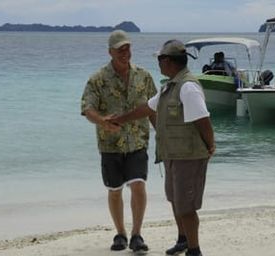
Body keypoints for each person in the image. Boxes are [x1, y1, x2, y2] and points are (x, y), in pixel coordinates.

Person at [110, 39, 215, 256]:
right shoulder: (170, 86)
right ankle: (183, 239)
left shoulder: (188, 87)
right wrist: (120, 119)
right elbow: (147, 108)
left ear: (167, 61)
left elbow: (204, 121)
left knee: (186, 206)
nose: (158, 64)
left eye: (160, 60)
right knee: (175, 200)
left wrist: (210, 146)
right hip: (172, 155)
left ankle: (194, 251)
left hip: (188, 156)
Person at [80, 30, 157, 253]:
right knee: (114, 190)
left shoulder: (143, 75)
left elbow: (152, 107)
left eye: (128, 48)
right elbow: (87, 108)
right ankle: (120, 233)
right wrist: (102, 121)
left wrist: (161, 133)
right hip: (110, 143)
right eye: (120, 49)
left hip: (138, 141)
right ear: (110, 52)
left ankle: (137, 235)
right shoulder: (98, 79)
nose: (125, 53)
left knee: (138, 185)